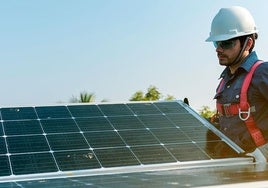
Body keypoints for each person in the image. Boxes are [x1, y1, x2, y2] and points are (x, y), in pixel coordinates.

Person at [206, 6, 268, 161]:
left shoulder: (262, 73)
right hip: (233, 165)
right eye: (216, 43)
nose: (218, 49)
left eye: (226, 43)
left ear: (247, 43)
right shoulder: (224, 81)